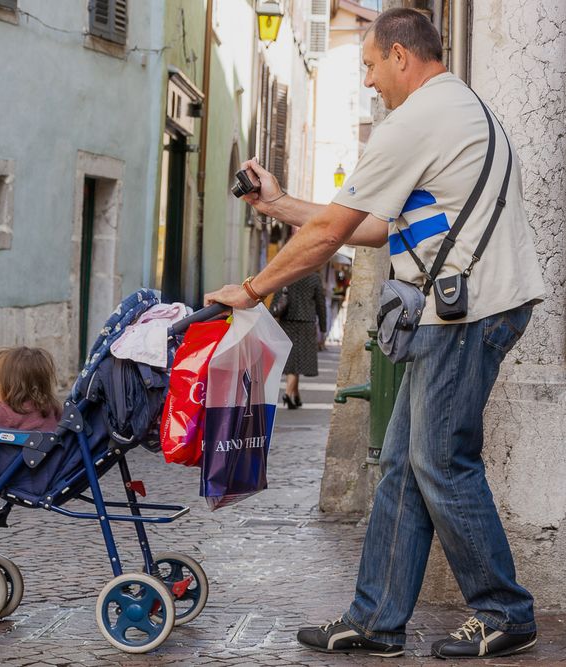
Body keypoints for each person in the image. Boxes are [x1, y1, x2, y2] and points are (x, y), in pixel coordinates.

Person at [204, 8, 544, 660]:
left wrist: (251, 289)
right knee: (403, 466)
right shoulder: (455, 108)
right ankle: (377, 618)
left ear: (399, 56)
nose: (366, 80)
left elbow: (333, 232)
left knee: (441, 462)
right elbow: (369, 225)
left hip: (465, 313)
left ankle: (505, 610)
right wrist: (278, 205)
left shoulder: (414, 119)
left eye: (367, 64)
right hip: (468, 308)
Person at [275, 272, 326, 409]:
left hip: (287, 322)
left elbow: (276, 298)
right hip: (306, 323)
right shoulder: (314, 277)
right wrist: (323, 326)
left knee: (293, 360)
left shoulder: (287, 275)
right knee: (298, 361)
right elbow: (321, 303)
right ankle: (287, 393)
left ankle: (296, 395)